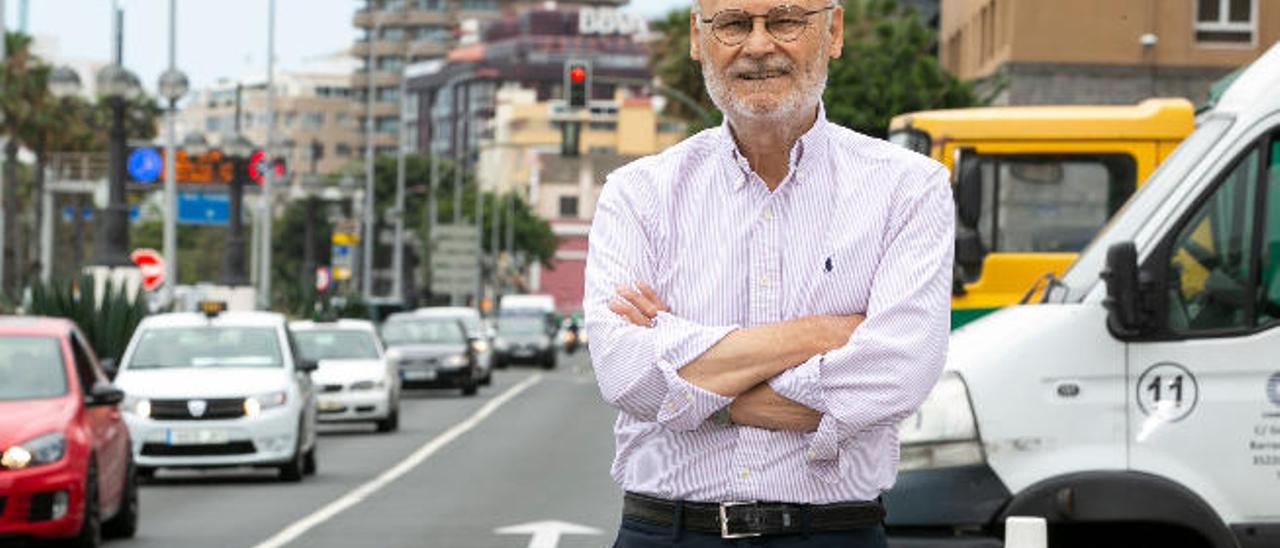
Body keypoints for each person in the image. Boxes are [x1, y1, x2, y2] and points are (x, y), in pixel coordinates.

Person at [583, 0, 954, 546]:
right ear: (698, 37)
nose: (758, 46)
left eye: (785, 21)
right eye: (734, 24)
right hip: (667, 532)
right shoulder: (637, 195)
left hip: (834, 533)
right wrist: (819, 335)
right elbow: (624, 372)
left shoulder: (909, 190)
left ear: (833, 32)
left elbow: (894, 378)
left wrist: (686, 381)